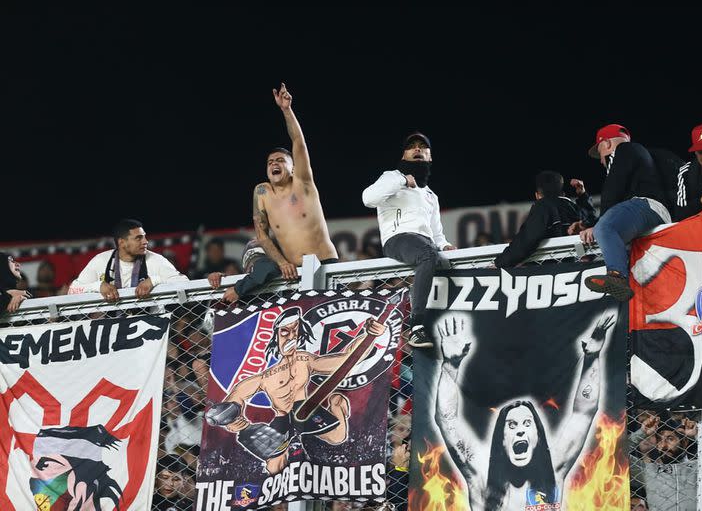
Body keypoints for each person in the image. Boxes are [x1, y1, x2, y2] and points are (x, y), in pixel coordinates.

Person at [434, 312, 615, 510]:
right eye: (511, 425)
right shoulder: (481, 475)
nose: (520, 430)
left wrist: (592, 358)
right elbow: (447, 418)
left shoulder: (554, 467)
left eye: (527, 423)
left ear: (538, 434)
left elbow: (584, 413)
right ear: (501, 438)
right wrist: (450, 366)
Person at [205, 306, 387, 474]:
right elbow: (237, 395)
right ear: (276, 335)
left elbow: (345, 360)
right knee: (274, 468)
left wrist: (369, 335)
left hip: (304, 409)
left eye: (295, 331)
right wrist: (231, 417)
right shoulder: (266, 376)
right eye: (285, 332)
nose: (290, 336)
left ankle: (336, 403)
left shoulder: (304, 360)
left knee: (338, 437)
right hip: (282, 416)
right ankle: (292, 449)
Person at [208, 83, 338, 303]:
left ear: (293, 167)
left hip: (325, 266)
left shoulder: (302, 182)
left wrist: (287, 110)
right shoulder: (262, 192)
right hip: (292, 273)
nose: (274, 164)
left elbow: (298, 142)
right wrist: (281, 262)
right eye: (270, 162)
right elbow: (261, 235)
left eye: (280, 160)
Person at [362, 132, 455, 348]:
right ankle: (416, 327)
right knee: (428, 254)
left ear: (430, 157)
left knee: (440, 258)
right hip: (398, 238)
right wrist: (403, 180)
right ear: (404, 155)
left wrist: (444, 245)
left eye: (422, 147)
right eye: (411, 146)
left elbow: (436, 233)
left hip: (425, 243)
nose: (417, 149)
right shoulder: (392, 176)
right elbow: (368, 198)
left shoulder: (431, 194)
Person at [580, 124, 670, 301]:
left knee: (604, 228)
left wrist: (599, 223)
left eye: (600, 154)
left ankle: (617, 277)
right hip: (651, 212)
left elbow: (613, 187)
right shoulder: (639, 154)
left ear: (606, 144)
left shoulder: (624, 149)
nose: (601, 160)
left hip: (648, 206)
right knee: (609, 234)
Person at [494, 171, 597, 269]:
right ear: (563, 193)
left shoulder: (542, 206)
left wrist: (500, 263)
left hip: (550, 273)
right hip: (577, 268)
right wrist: (583, 196)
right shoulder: (573, 207)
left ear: (537, 195)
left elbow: (528, 239)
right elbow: (591, 222)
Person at [68, 219, 188, 302]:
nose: (145, 241)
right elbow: (72, 291)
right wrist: (98, 286)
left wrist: (155, 280)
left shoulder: (155, 260)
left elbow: (185, 283)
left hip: (150, 328)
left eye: (145, 236)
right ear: (122, 242)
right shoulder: (101, 260)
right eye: (138, 238)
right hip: (113, 328)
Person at [630, 412, 698, 511]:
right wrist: (642, 433)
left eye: (670, 439)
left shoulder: (697, 466)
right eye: (659, 440)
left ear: (684, 442)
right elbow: (613, 454)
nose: (663, 446)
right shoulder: (648, 471)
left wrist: (696, 435)